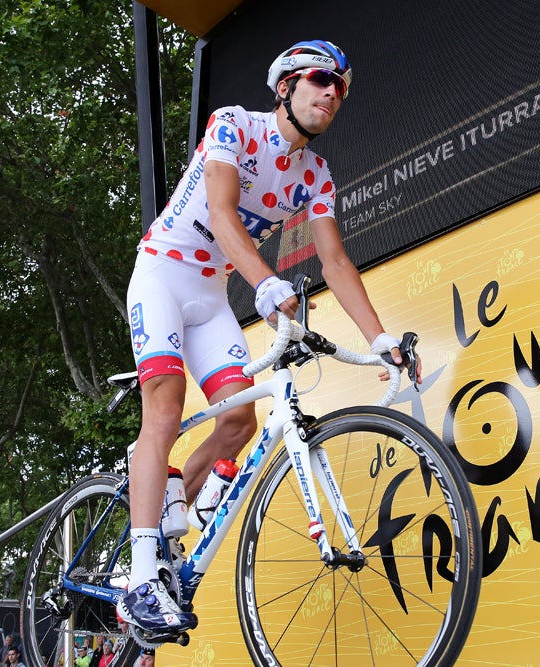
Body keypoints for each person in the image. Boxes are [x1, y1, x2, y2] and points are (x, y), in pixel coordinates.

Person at [119, 38, 421, 637]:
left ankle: (181, 486)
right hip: (161, 274)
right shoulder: (233, 125)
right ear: (285, 86)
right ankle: (141, 578)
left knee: (238, 422)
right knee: (166, 408)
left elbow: (335, 261)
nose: (333, 93)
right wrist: (265, 283)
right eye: (320, 80)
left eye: (341, 87)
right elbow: (224, 212)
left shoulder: (315, 174)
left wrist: (380, 337)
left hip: (209, 297)